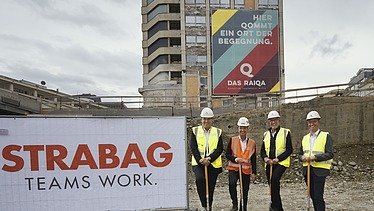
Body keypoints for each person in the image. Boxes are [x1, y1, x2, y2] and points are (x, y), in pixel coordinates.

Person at [299, 111, 334, 211]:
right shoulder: (305, 138)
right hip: (307, 170)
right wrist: (302, 158)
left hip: (320, 171)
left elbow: (330, 153)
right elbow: (300, 154)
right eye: (309, 122)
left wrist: (315, 157)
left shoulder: (326, 136)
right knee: (313, 196)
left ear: (318, 122)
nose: (311, 124)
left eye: (314, 121)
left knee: (318, 196)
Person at [190, 107, 223, 211]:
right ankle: (204, 205)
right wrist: (200, 159)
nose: (206, 121)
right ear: (201, 119)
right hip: (198, 163)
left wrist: (209, 159)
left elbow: (219, 148)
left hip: (212, 163)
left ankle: (209, 206)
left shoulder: (218, 132)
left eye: (208, 119)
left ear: (212, 120)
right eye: (204, 119)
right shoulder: (195, 131)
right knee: (200, 180)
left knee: (211, 186)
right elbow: (193, 147)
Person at [260, 110, 293, 211]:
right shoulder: (266, 134)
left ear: (278, 120)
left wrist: (277, 159)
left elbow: (289, 149)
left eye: (275, 120)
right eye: (271, 120)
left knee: (274, 180)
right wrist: (265, 158)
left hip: (281, 163)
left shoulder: (285, 132)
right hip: (269, 164)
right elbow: (262, 151)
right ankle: (277, 206)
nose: (273, 122)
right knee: (272, 185)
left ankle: (275, 207)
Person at [226, 117, 257, 211]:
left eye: (244, 128)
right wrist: (235, 159)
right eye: (241, 128)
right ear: (238, 128)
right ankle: (234, 204)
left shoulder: (252, 143)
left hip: (246, 170)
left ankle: (243, 208)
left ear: (247, 129)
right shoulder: (232, 140)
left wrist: (254, 172)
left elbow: (253, 159)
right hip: (234, 169)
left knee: (244, 190)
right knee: (232, 184)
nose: (242, 130)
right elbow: (227, 154)